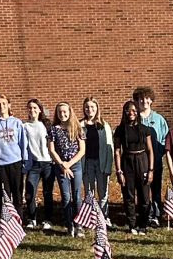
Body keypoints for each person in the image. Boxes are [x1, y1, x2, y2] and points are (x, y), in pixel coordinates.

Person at [0, 94, 27, 219]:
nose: (1, 106)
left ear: (9, 105)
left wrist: (26, 162)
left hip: (16, 162)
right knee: (5, 195)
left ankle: (18, 222)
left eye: (4, 103)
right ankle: (7, 222)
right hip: (1, 164)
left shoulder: (17, 122)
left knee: (18, 195)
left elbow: (23, 143)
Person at [114, 99, 154, 234]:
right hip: (127, 162)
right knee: (129, 196)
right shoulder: (120, 130)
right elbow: (117, 151)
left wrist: (150, 170)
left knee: (144, 197)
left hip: (142, 161)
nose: (131, 113)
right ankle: (132, 225)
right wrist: (119, 171)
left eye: (133, 110)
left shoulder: (144, 129)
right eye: (128, 110)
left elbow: (150, 150)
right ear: (124, 112)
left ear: (137, 112)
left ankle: (143, 224)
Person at [48, 101, 84, 236]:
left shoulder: (77, 128)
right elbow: (52, 150)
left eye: (65, 112)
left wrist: (69, 164)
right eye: (60, 112)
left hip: (75, 165)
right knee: (65, 196)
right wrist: (62, 164)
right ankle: (69, 225)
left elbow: (82, 150)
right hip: (60, 166)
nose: (62, 114)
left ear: (70, 112)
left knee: (77, 195)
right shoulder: (53, 129)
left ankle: (79, 224)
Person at [133, 87, 167, 225]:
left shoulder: (159, 119)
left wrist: (159, 153)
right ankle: (145, 215)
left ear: (151, 100)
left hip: (156, 162)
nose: (144, 101)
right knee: (143, 191)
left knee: (156, 190)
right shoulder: (134, 118)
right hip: (140, 163)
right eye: (141, 98)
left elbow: (165, 139)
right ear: (137, 100)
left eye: (147, 98)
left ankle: (156, 215)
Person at [22, 99, 55, 229]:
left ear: (40, 109)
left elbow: (53, 142)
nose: (32, 110)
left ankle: (48, 219)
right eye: (30, 108)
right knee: (30, 193)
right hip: (33, 165)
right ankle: (32, 218)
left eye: (35, 108)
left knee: (47, 192)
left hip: (48, 163)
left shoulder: (46, 124)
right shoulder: (24, 126)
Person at [81, 97, 114, 224]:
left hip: (101, 163)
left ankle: (104, 217)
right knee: (89, 192)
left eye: (92, 107)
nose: (90, 109)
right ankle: (91, 217)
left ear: (97, 108)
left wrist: (108, 167)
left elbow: (109, 147)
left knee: (103, 192)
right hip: (87, 163)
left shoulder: (103, 125)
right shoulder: (80, 125)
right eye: (87, 107)